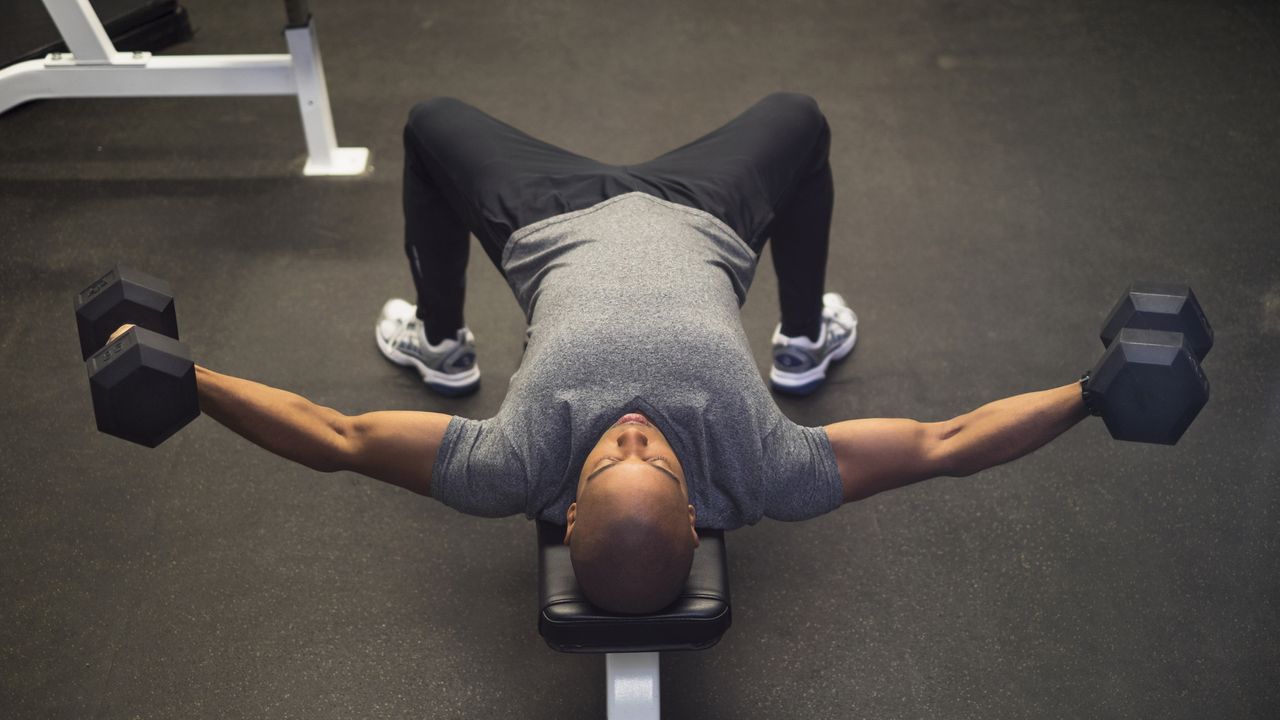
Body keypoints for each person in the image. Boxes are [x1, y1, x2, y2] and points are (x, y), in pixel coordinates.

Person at [182, 93, 1089, 616]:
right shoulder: (767, 470)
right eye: (648, 455)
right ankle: (805, 340)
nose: (629, 431)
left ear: (566, 513)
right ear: (697, 515)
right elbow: (948, 445)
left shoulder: (511, 466)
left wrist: (191, 383)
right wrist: (1091, 395)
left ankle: (442, 343)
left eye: (611, 456)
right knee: (802, 121)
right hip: (707, 216)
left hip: (547, 218)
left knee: (428, 125)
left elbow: (334, 436)